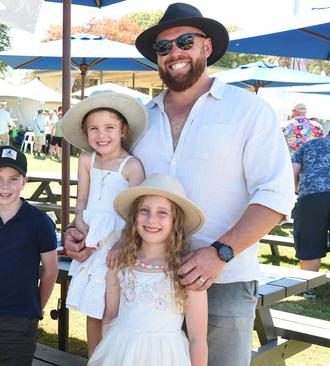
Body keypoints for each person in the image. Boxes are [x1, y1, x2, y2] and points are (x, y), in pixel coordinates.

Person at [66, 3, 295, 365]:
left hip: (223, 280)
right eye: (163, 47)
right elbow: (109, 189)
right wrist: (79, 231)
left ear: (207, 47)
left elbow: (277, 195)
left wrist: (220, 252)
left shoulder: (247, 110)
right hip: (143, 282)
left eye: (185, 41)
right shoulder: (140, 120)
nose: (174, 52)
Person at [89, 174, 208, 366]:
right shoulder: (120, 263)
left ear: (175, 222)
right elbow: (111, 315)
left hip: (166, 357)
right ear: (135, 217)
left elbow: (198, 340)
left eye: (162, 213)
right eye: (145, 210)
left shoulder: (187, 272)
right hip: (121, 353)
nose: (152, 219)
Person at [61, 92, 146, 356]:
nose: (101, 134)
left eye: (109, 127)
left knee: (113, 311)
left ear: (123, 130)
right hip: (91, 242)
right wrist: (78, 224)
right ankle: (93, 359)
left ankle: (111, 359)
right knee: (92, 308)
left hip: (117, 246)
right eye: (93, 129)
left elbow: (135, 215)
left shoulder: (131, 166)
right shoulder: (87, 160)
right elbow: (82, 199)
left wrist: (121, 245)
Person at [0, 145, 58, 366]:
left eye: (13, 178)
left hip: (20, 320)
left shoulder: (39, 222)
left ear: (24, 181)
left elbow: (51, 270)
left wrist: (36, 306)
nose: (6, 186)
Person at [292, 134, 330, 300]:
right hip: (311, 198)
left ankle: (309, 288)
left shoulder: (310, 144)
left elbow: (292, 170)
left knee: (309, 242)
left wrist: (296, 191)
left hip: (310, 199)